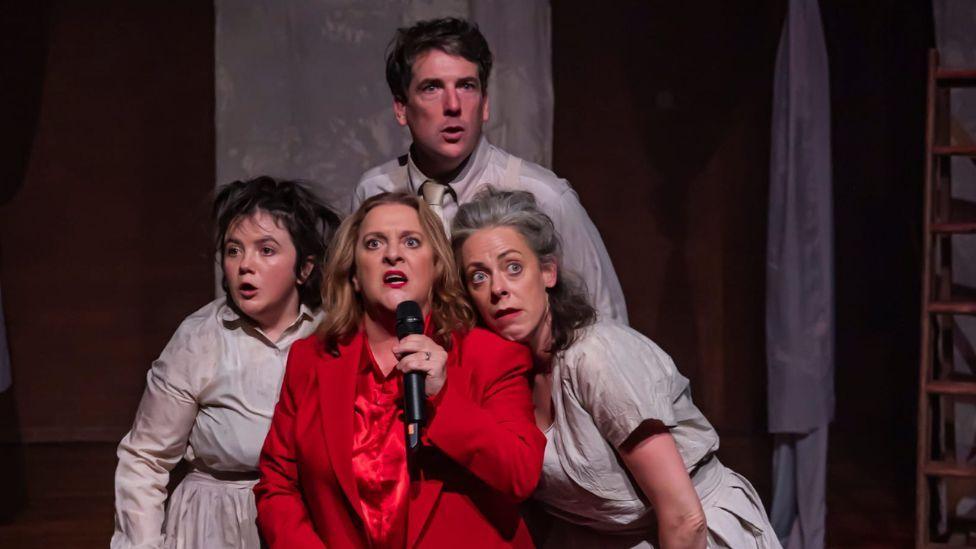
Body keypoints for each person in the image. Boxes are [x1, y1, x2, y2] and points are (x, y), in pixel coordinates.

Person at [452, 189, 781, 549]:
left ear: (547, 273)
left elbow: (685, 518)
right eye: (479, 277)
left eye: (513, 267)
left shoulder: (595, 356)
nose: (498, 289)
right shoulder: (509, 378)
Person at [254, 192, 546, 548]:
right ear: (355, 274)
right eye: (374, 243)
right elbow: (278, 484)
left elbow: (520, 474)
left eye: (411, 241)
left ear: (437, 266)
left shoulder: (491, 356)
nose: (393, 254)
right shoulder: (311, 359)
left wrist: (443, 396)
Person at [111, 177, 341, 549]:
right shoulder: (201, 337)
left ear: (305, 267)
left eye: (266, 250)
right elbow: (146, 457)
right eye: (234, 251)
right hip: (214, 523)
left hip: (303, 517)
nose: (245, 265)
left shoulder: (329, 332)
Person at [352, 17, 628, 324]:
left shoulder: (544, 195)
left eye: (467, 86)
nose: (453, 105)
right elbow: (355, 311)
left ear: (484, 104)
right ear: (401, 108)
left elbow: (607, 321)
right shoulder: (375, 192)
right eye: (432, 88)